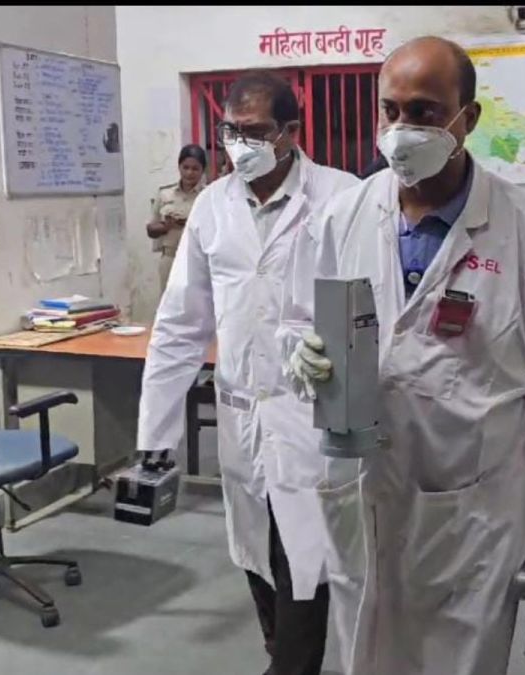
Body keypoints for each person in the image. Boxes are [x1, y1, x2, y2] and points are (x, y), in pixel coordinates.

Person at [280, 37, 525, 675]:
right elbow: (297, 322)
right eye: (390, 110)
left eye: (424, 112)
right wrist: (300, 358)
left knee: (460, 660)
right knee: (366, 650)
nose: (401, 129)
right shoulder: (342, 218)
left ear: (467, 118)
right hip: (362, 487)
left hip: (472, 515)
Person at [137, 71, 359, 675]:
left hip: (314, 414)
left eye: (255, 132)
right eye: (230, 131)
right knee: (256, 551)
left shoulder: (342, 197)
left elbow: (367, 312)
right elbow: (181, 323)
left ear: (291, 132)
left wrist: (354, 414)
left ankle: (292, 665)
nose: (239, 144)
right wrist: (156, 434)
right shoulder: (213, 205)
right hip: (242, 414)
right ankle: (278, 654)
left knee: (305, 561)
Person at [148, 144, 207, 290]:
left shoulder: (208, 196)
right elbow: (151, 229)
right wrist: (168, 225)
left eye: (195, 169)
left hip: (198, 260)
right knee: (168, 300)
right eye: (185, 167)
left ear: (202, 170)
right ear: (179, 167)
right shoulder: (164, 194)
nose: (189, 173)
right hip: (170, 258)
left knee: (197, 300)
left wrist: (190, 223)